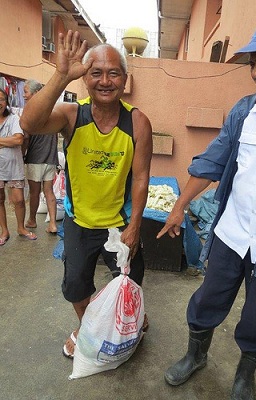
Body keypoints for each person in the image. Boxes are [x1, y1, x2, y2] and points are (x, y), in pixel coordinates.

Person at [157, 16, 256, 399]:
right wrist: (179, 207)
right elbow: (211, 162)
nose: (254, 72)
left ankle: (244, 374)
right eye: (251, 64)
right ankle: (196, 355)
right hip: (231, 234)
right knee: (208, 299)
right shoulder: (244, 112)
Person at [20, 31, 153, 358]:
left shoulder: (137, 122)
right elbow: (29, 122)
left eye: (113, 73)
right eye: (96, 73)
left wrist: (135, 225)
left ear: (125, 79)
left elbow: (141, 177)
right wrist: (60, 75)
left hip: (119, 224)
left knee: (132, 281)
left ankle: (132, 317)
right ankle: (89, 328)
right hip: (80, 223)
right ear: (84, 78)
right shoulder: (71, 115)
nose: (105, 81)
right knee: (76, 288)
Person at [0, 89, 37, 245]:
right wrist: (6, 141)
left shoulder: (13, 118)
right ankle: (4, 231)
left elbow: (18, 140)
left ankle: (21, 228)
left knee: (19, 200)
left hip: (14, 166)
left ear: (6, 102)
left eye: (1, 99)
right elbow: (12, 140)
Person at [23, 79, 59, 234]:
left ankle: (31, 220)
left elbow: (26, 138)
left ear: (36, 93)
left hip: (35, 158)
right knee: (49, 191)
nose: (24, 96)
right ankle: (52, 223)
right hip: (50, 157)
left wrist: (21, 154)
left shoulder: (32, 110)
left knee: (34, 192)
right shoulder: (52, 108)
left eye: (25, 92)